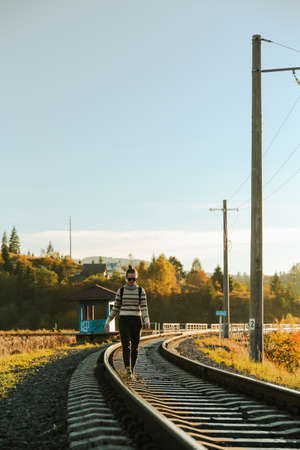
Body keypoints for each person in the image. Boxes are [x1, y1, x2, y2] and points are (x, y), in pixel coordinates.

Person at [105, 265, 150, 378]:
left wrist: (147, 320)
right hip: (124, 320)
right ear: (126, 279)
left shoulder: (141, 291)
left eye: (133, 279)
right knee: (126, 345)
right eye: (129, 279)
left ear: (136, 279)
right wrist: (108, 321)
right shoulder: (121, 291)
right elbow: (115, 308)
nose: (131, 281)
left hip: (136, 320)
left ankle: (132, 369)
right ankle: (128, 369)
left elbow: (144, 307)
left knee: (135, 346)